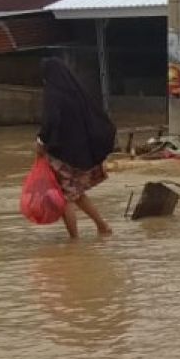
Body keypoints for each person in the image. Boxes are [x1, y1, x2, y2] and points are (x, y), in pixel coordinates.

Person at [36, 58, 115, 239]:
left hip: (66, 156)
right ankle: (103, 227)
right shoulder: (77, 92)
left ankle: (74, 241)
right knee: (76, 195)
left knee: (64, 197)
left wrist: (41, 141)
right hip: (85, 154)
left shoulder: (53, 93)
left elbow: (51, 121)